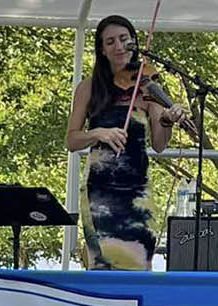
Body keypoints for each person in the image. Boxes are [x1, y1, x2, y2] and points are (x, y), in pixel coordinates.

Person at [66, 15, 187, 270]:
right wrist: (98, 133)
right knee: (101, 268)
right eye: (110, 42)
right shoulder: (88, 88)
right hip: (100, 190)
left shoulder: (148, 86)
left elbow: (159, 144)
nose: (119, 47)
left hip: (137, 191)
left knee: (138, 266)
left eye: (124, 39)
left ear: (134, 42)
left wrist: (166, 121)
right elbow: (72, 140)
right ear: (102, 49)